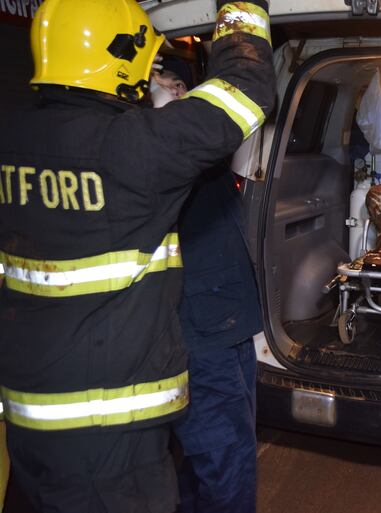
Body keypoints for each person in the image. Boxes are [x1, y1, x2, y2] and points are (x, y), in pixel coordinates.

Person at [0, 1, 275, 511]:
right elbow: (248, 89)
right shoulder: (133, 149)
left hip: (31, 426)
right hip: (108, 442)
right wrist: (241, 10)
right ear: (123, 59)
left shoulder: (13, 137)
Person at [150, 58, 264, 513]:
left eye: (178, 85)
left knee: (216, 460)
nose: (174, 93)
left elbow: (238, 134)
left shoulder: (203, 151)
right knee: (225, 463)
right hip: (196, 335)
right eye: (163, 85)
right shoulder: (150, 153)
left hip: (230, 325)